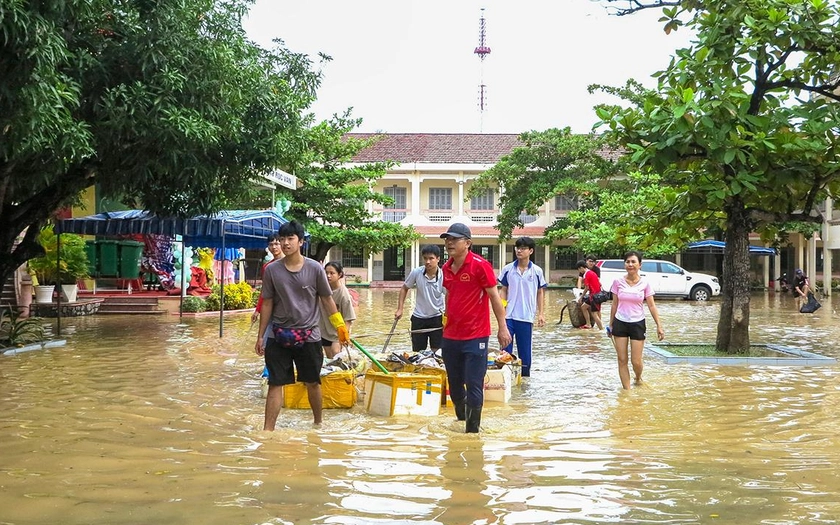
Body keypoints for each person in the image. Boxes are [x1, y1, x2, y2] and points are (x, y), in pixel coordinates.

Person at [255, 221, 350, 430]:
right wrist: (261, 335)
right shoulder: (271, 271)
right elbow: (268, 303)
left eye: (290, 239)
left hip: (309, 335)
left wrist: (340, 327)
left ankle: (318, 424)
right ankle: (267, 430)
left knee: (313, 382)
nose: (285, 243)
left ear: (301, 242)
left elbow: (326, 299)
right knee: (275, 383)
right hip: (278, 334)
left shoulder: (315, 268)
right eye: (282, 239)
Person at [439, 223, 512, 433]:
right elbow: (450, 296)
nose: (449, 243)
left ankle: (472, 432)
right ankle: (461, 421)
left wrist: (502, 327)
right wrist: (445, 318)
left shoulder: (480, 265)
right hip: (451, 335)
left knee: (473, 383)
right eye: (447, 239)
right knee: (453, 383)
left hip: (476, 336)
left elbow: (494, 297)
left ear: (468, 243)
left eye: (454, 239)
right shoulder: (446, 268)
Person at [608, 251, 665, 390]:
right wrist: (610, 325)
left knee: (636, 361)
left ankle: (638, 377)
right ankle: (627, 392)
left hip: (637, 323)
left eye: (633, 262)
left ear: (640, 264)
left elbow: (651, 305)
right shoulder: (617, 282)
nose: (630, 264)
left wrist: (659, 325)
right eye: (627, 262)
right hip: (620, 322)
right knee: (622, 360)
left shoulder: (645, 284)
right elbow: (614, 304)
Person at [498, 236, 546, 377]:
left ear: (530, 251)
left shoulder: (537, 271)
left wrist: (541, 314)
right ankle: (505, 379)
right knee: (505, 351)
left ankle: (524, 381)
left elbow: (540, 292)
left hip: (526, 317)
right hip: (508, 316)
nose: (519, 251)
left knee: (525, 353)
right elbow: (503, 289)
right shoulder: (508, 269)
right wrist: (503, 308)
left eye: (523, 248)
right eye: (518, 248)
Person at [394, 245, 446, 353]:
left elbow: (450, 296)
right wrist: (400, 309)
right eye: (425, 258)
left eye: (431, 258)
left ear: (438, 259)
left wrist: (449, 315)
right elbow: (404, 288)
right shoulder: (416, 272)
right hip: (419, 318)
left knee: (437, 352)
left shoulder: (444, 276)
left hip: (437, 318)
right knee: (417, 352)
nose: (428, 262)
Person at [319, 261, 356, 359]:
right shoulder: (321, 290)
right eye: (326, 273)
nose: (328, 276)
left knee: (336, 352)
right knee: (330, 357)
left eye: (332, 273)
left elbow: (349, 319)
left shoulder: (344, 294)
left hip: (337, 332)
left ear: (339, 275)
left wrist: (344, 335)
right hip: (324, 330)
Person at [251, 233, 284, 324]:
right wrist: (258, 310)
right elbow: (264, 290)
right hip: (270, 306)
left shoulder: (289, 264)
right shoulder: (267, 267)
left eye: (276, 244)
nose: (274, 247)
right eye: (271, 244)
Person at [576, 259, 604, 330]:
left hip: (594, 296)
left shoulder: (587, 274)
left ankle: (601, 329)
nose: (579, 272)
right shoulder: (591, 272)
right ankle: (588, 324)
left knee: (594, 313)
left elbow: (586, 288)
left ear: (581, 268)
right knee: (584, 307)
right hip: (597, 294)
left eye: (579, 270)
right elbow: (599, 284)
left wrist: (581, 297)